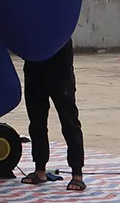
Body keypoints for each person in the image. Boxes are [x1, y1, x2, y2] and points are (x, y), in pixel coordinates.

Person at [20, 37, 86, 191]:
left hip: (60, 66)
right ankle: (40, 170)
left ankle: (77, 174)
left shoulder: (61, 18)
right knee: (37, 122)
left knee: (69, 121)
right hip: (34, 66)